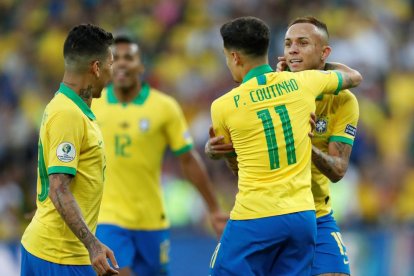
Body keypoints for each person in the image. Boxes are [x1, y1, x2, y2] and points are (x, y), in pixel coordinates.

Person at [207, 16, 362, 276]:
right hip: (291, 216)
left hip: (316, 212)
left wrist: (303, 142)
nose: (292, 50)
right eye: (288, 43)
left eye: (303, 43)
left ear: (324, 53)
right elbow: (240, 159)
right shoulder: (288, 86)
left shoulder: (342, 101)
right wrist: (216, 151)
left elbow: (338, 171)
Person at [92, 35, 227, 276]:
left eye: (128, 58)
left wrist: (214, 208)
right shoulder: (93, 106)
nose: (121, 63)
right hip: (107, 217)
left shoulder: (164, 107)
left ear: (141, 65)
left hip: (152, 219)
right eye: (115, 58)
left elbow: (187, 160)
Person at [20, 24, 118, 276]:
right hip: (61, 257)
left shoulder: (68, 108)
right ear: (96, 67)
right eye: (111, 63)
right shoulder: (68, 114)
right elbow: (58, 188)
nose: (113, 70)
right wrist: (93, 245)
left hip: (48, 248)